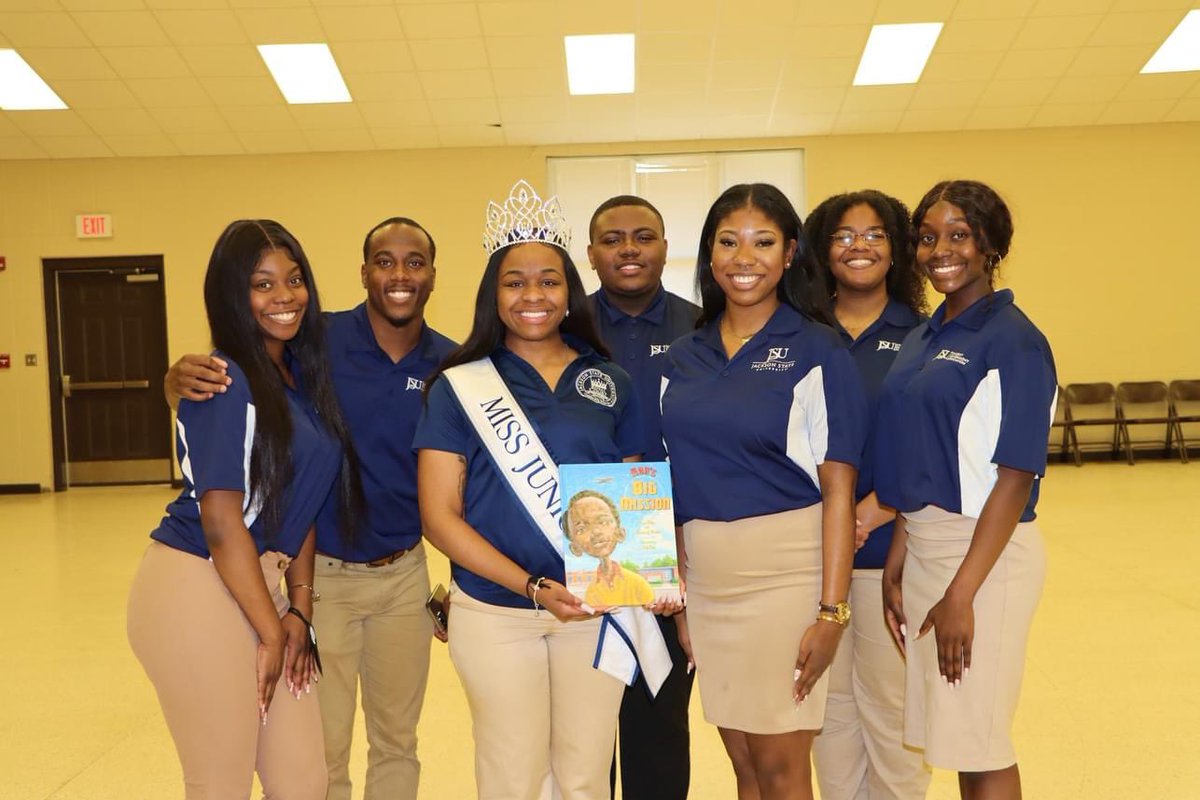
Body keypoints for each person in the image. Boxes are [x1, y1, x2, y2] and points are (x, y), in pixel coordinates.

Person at [165, 217, 456, 800]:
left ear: (432, 276)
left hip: (405, 576)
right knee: (320, 752)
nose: (399, 274)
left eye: (415, 262)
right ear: (364, 271)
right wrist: (175, 382)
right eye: (384, 260)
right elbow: (245, 377)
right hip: (320, 573)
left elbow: (465, 478)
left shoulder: (451, 364)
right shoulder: (315, 340)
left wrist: (463, 584)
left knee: (399, 741)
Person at [415, 179, 648, 800]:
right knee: (512, 773)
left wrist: (645, 576)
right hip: (495, 611)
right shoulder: (458, 386)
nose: (533, 295)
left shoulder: (611, 380)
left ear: (570, 291)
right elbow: (440, 517)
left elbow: (630, 499)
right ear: (494, 295)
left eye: (549, 280)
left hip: (593, 610)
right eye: (515, 281)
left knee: (585, 771)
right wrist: (530, 585)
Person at [127, 219, 361, 799]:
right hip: (198, 584)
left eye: (294, 278)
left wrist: (298, 613)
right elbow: (222, 524)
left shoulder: (301, 377)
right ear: (233, 294)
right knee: (220, 782)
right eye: (262, 284)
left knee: (306, 780)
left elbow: (299, 503)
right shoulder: (221, 380)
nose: (285, 296)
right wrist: (272, 632)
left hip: (267, 586)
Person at [659, 183, 868, 800]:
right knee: (745, 767)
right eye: (728, 242)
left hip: (786, 578)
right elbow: (667, 481)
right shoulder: (680, 358)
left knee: (781, 769)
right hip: (709, 581)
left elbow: (839, 487)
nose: (743, 257)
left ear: (789, 254)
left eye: (762, 242)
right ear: (708, 255)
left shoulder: (819, 350)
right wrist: (685, 597)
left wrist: (831, 611)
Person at [875, 180, 1055, 800]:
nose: (940, 250)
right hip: (928, 547)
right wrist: (899, 558)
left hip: (985, 558)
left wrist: (961, 595)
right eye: (927, 238)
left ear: (990, 245)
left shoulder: (1014, 340)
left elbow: (1015, 475)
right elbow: (914, 451)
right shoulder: (927, 334)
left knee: (981, 744)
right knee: (957, 740)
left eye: (959, 235)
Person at [805, 190, 932, 800]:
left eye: (875, 233)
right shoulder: (800, 332)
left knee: (894, 713)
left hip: (892, 555)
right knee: (827, 714)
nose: (859, 246)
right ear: (822, 251)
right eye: (843, 235)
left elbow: (940, 443)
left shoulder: (925, 335)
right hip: (811, 559)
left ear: (897, 248)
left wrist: (879, 506)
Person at [585, 194, 699, 800]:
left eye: (643, 236)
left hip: (669, 552)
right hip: (582, 552)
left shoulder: (702, 327)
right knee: (586, 729)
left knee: (659, 722)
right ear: (591, 253)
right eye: (612, 238)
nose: (628, 249)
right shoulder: (560, 325)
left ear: (663, 245)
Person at [563, 489, 655, 607]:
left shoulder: (637, 582)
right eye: (581, 529)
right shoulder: (589, 591)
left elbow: (651, 605)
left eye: (603, 522)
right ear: (575, 548)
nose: (596, 532)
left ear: (620, 533)